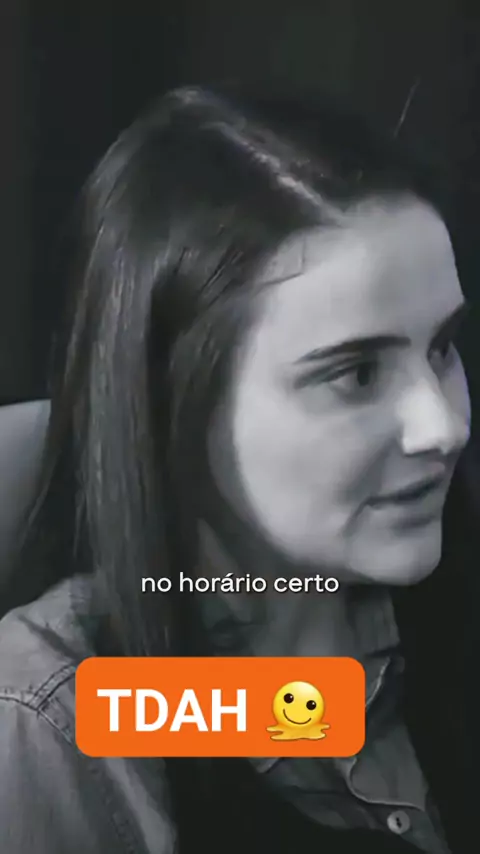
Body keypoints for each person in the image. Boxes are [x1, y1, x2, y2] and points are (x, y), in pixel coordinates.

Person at [0, 84, 475, 854]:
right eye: (356, 375)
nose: (445, 426)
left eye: (443, 347)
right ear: (174, 406)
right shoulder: (67, 723)